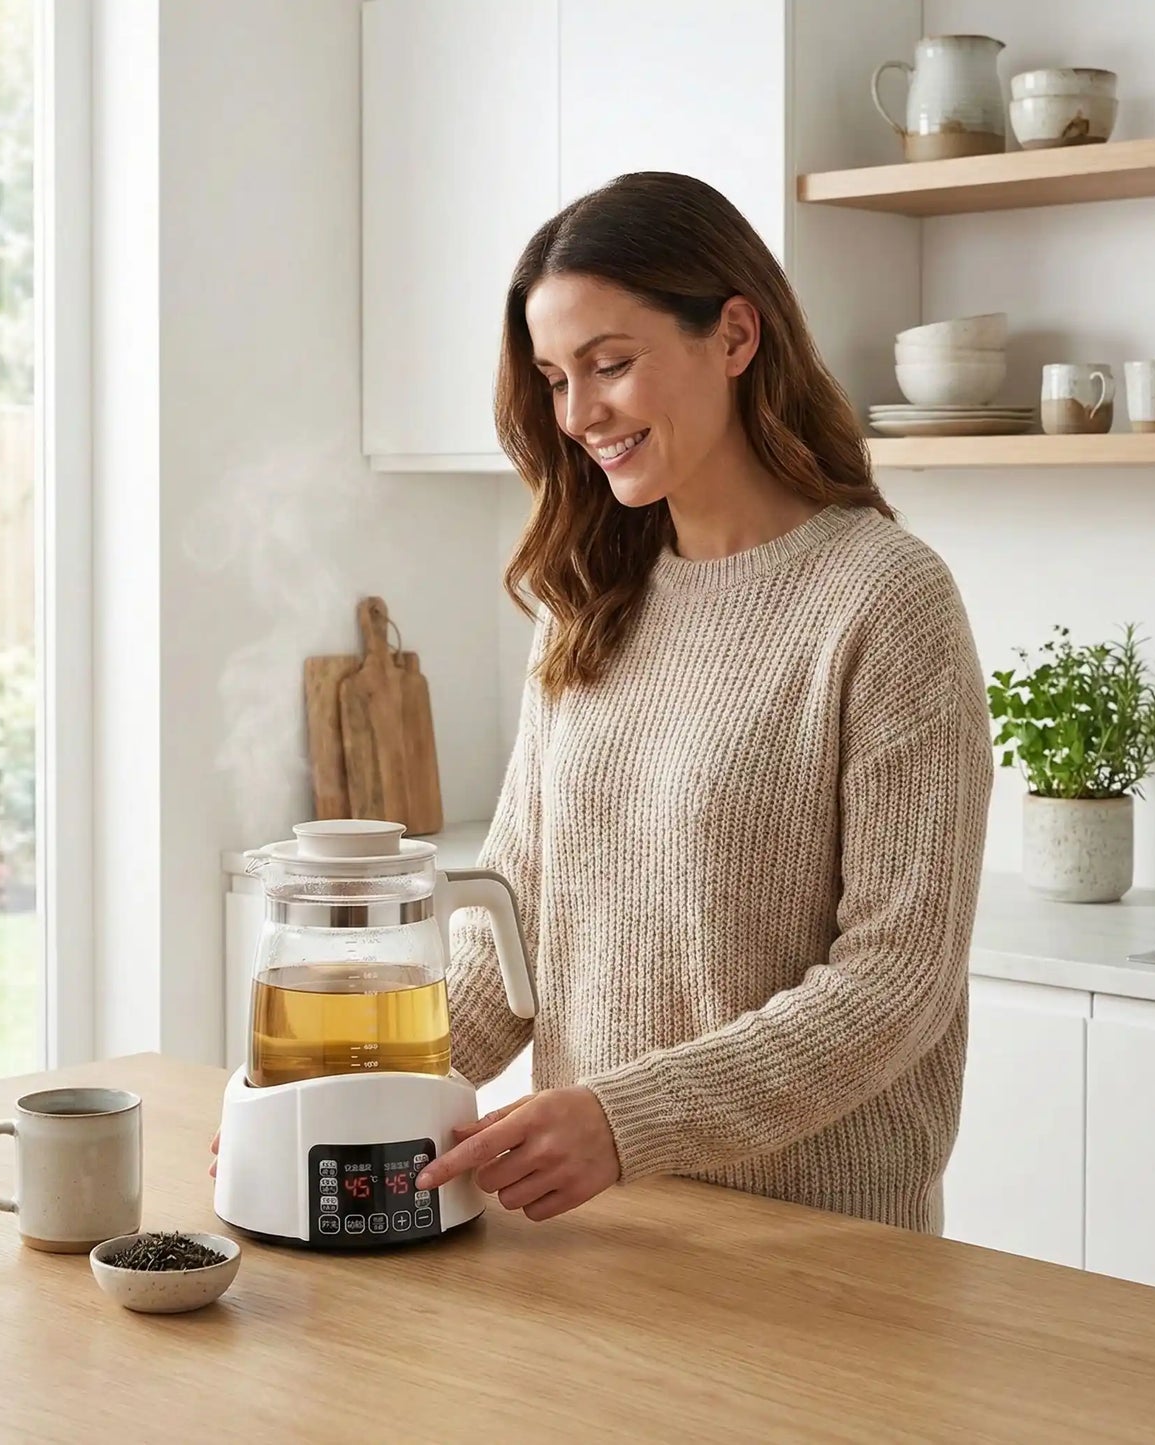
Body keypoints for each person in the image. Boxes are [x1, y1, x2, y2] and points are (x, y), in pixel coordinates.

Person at [407, 171, 993, 1234]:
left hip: (819, 1249)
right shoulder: (586, 597)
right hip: (601, 1232)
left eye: (609, 364)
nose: (577, 415)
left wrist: (627, 1120)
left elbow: (895, 980)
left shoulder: (883, 598)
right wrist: (349, 1093)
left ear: (732, 335)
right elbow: (512, 922)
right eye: (553, 378)